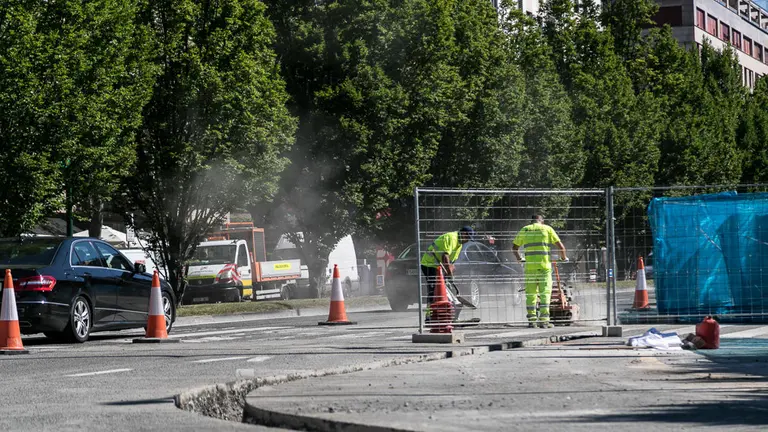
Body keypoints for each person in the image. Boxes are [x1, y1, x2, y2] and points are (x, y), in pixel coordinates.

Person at [513, 215, 568, 328]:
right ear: (542, 221)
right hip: (544, 268)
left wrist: (519, 259)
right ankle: (544, 320)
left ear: (531, 221)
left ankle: (532, 321)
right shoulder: (547, 229)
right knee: (545, 294)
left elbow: (514, 248)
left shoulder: (525, 229)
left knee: (531, 294)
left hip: (530, 268)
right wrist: (563, 258)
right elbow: (561, 247)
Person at [420, 226, 474, 305]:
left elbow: (451, 262)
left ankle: (445, 308)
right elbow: (445, 257)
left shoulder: (459, 244)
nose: (467, 240)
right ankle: (430, 311)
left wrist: (451, 272)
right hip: (429, 264)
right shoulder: (452, 238)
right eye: (467, 238)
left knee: (442, 288)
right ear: (463, 233)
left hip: (438, 266)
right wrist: (449, 273)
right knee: (434, 288)